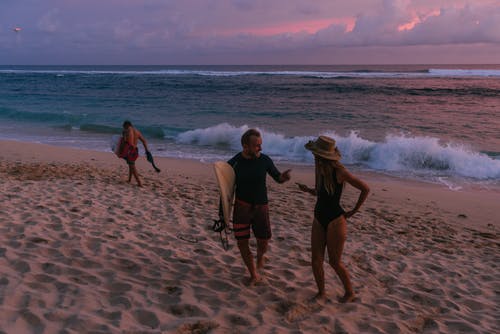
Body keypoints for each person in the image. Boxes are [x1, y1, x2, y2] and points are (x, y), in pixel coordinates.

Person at [297, 135, 369, 303]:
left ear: (323, 156)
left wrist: (355, 210)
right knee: (315, 261)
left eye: (316, 154)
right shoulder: (319, 168)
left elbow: (365, 188)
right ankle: (321, 292)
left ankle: (350, 293)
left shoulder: (340, 172)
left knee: (335, 262)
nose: (314, 156)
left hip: (336, 221)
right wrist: (308, 190)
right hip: (318, 217)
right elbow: (322, 193)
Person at [227, 129, 291, 285]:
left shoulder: (265, 160)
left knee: (263, 241)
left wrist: (284, 177)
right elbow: (225, 186)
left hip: (261, 207)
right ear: (245, 146)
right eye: (256, 146)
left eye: (260, 145)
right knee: (242, 241)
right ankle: (253, 273)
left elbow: (278, 178)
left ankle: (261, 256)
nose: (260, 149)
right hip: (242, 207)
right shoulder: (234, 162)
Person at [120, 120, 149, 187]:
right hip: (135, 151)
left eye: (124, 127)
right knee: (131, 165)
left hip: (130, 150)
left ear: (127, 125)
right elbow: (144, 141)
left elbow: (127, 142)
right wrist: (146, 150)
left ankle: (139, 183)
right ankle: (129, 179)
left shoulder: (127, 131)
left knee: (132, 166)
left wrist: (123, 135)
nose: (124, 128)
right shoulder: (137, 131)